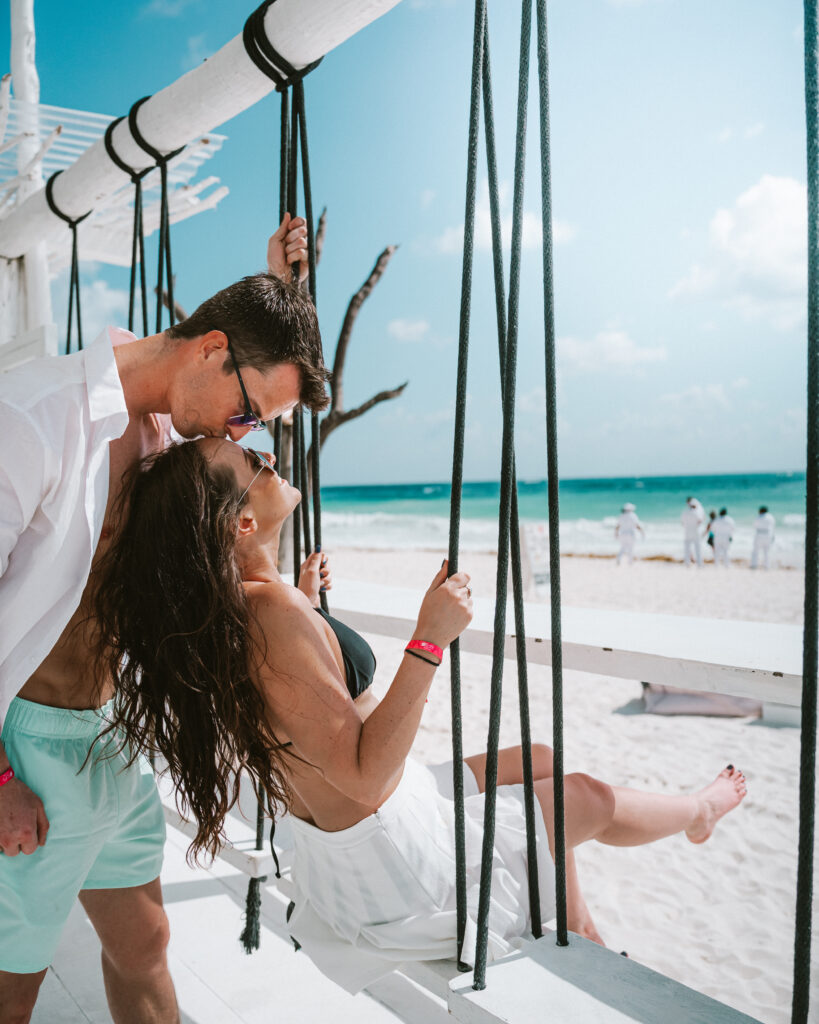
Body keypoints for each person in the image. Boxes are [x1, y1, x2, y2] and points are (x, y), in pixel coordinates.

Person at [92, 438, 748, 993]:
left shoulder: (243, 606)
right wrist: (428, 639)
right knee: (584, 797)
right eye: (252, 462)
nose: (267, 455)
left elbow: (299, 705)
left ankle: (583, 929)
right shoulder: (272, 615)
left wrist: (308, 604)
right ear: (240, 523)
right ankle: (697, 812)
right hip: (395, 869)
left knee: (539, 761)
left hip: (356, 840)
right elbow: (365, 774)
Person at [0, 215, 327, 1024]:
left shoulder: (171, 425)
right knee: (13, 985)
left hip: (111, 738)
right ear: (211, 350)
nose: (241, 432)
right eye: (248, 412)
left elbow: (252, 462)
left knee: (144, 944)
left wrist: (283, 294)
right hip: (27, 750)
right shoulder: (30, 418)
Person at [680, 497, 704, 567]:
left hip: (687, 531)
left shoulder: (685, 512)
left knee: (687, 548)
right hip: (695, 531)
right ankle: (699, 564)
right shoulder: (696, 512)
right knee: (698, 548)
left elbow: (682, 523)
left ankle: (687, 563)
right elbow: (700, 521)